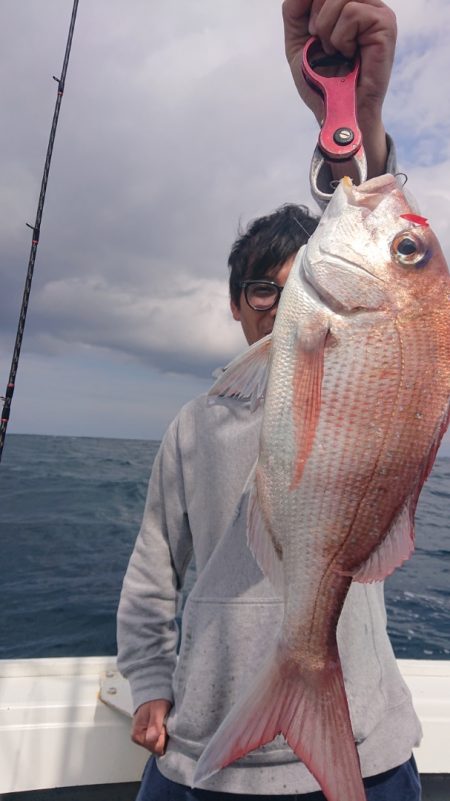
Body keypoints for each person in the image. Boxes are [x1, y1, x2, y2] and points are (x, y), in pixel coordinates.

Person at [117, 1, 423, 799]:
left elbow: (365, 225)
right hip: (203, 752)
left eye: (294, 286)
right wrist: (148, 682)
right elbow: (152, 569)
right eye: (262, 288)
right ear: (235, 304)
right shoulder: (194, 425)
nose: (280, 302)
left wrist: (353, 115)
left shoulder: (343, 364)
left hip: (363, 748)